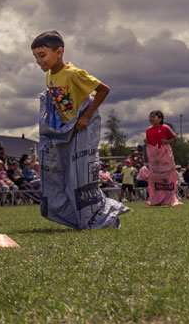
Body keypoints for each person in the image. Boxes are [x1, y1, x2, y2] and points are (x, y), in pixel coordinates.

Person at [32, 30, 127, 229]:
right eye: (35, 57)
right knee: (65, 176)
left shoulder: (73, 73)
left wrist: (86, 115)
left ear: (59, 52)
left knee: (81, 175)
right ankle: (77, 218)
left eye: (42, 55)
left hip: (83, 126)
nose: (39, 61)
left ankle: (103, 218)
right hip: (66, 130)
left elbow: (103, 90)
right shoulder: (50, 75)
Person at [144, 110, 182, 207]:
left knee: (167, 175)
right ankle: (156, 199)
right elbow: (150, 142)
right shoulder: (148, 130)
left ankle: (169, 198)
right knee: (154, 176)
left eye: (153, 117)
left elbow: (175, 137)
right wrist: (146, 142)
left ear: (160, 119)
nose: (151, 118)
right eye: (150, 116)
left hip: (165, 155)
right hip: (154, 156)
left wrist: (167, 141)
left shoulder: (165, 128)